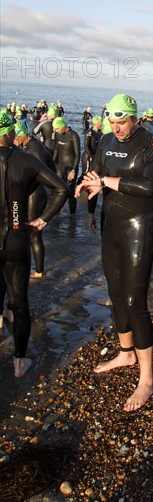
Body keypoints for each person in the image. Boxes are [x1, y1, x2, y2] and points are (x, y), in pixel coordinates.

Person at [75, 93, 153, 412]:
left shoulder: (152, 144)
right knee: (115, 292)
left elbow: (148, 186)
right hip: (111, 223)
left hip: (139, 225)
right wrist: (89, 193)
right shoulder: (103, 141)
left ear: (136, 119)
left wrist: (105, 181)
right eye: (112, 122)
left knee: (135, 302)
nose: (116, 128)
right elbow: (95, 174)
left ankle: (146, 379)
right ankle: (126, 351)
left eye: (122, 122)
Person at [0, 112, 69, 377]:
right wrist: (42, 220)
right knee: (19, 304)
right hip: (17, 237)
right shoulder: (26, 159)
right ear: (9, 132)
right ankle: (19, 363)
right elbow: (61, 189)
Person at [13, 120, 56, 279]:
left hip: (35, 194)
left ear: (23, 135)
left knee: (33, 234)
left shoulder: (33, 150)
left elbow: (37, 176)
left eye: (15, 137)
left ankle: (39, 271)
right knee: (28, 232)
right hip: (36, 193)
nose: (13, 141)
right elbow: (52, 168)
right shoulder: (36, 145)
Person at [52, 117, 81, 215]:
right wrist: (52, 164)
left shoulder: (74, 135)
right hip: (60, 167)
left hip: (70, 168)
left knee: (70, 192)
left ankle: (72, 215)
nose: (56, 131)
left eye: (57, 128)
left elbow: (77, 155)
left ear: (63, 126)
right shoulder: (57, 134)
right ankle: (57, 212)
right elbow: (56, 149)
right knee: (59, 190)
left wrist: (73, 170)